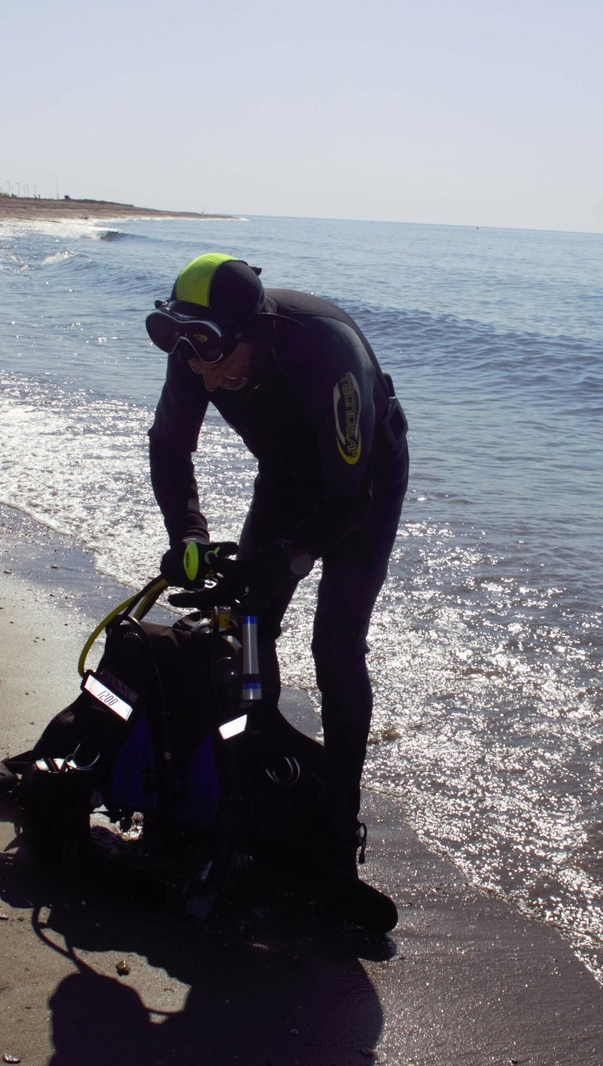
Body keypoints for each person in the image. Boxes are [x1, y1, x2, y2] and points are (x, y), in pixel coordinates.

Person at [144, 253, 409, 931]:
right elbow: (170, 447)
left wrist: (290, 558)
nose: (205, 375)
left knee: (336, 644)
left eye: (217, 358)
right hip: (286, 474)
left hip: (363, 480)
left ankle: (337, 827)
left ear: (256, 331)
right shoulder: (195, 346)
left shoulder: (326, 352)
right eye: (192, 360)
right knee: (247, 621)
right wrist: (189, 536)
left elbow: (348, 496)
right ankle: (249, 776)